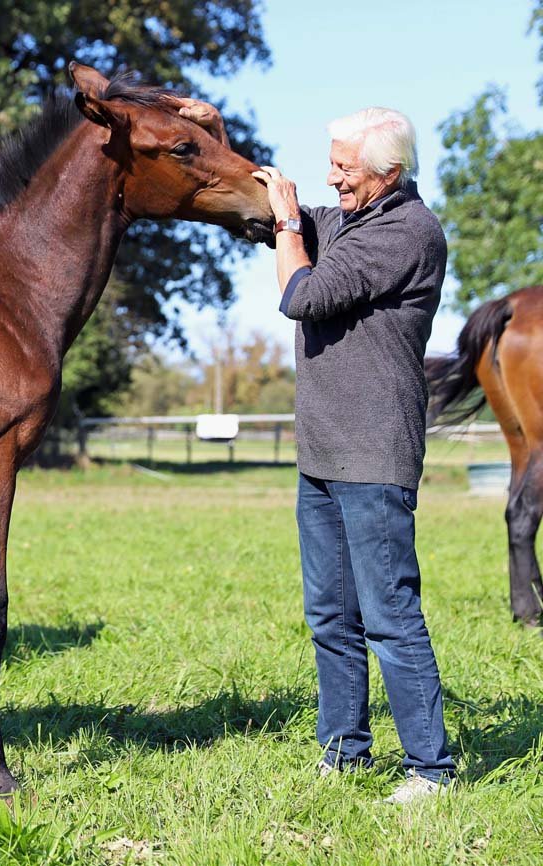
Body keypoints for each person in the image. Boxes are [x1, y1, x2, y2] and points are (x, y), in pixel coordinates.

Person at [183, 101, 456, 804]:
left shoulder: (405, 232)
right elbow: (268, 205)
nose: (331, 178)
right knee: (331, 617)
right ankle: (344, 753)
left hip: (373, 453)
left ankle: (431, 771)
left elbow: (303, 295)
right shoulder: (351, 219)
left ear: (387, 172)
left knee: (389, 616)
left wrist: (287, 226)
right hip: (323, 453)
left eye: (343, 168)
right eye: (331, 165)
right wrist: (215, 135)